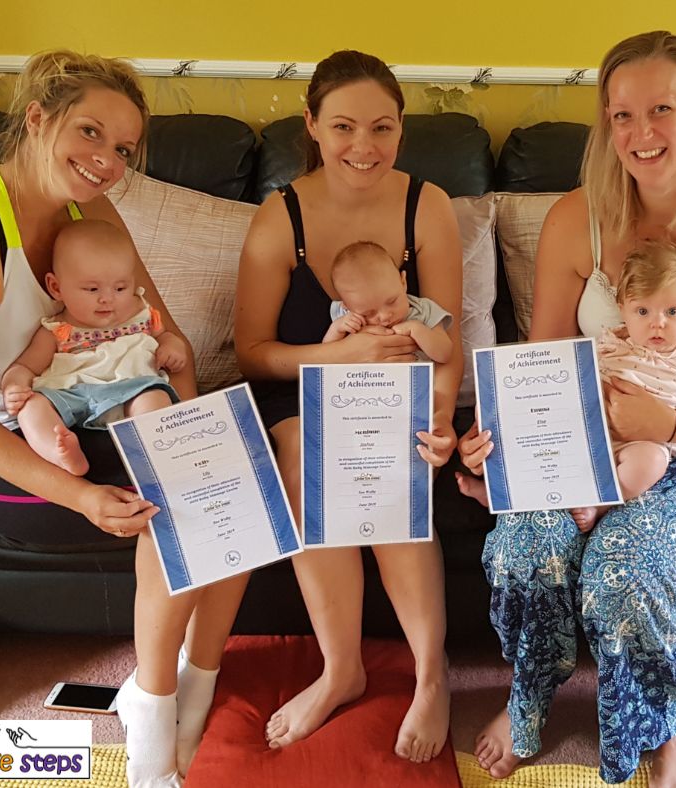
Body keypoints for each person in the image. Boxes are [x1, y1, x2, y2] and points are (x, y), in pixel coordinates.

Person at [455, 31, 676, 787]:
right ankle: (527, 698)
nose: (641, 134)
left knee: (624, 564)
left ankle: (668, 723)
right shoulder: (576, 219)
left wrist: (672, 424)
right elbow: (541, 370)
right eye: (621, 116)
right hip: (583, 431)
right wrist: (495, 445)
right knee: (525, 545)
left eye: (661, 110)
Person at [0, 51, 249, 787]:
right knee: (182, 499)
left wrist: (187, 427)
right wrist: (86, 497)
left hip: (96, 416)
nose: (107, 162)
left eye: (123, 148)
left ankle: (193, 685)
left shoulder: (92, 211)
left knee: (237, 471)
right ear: (36, 117)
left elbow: (162, 336)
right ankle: (152, 724)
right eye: (90, 132)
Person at [235, 49, 463, 764]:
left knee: (394, 464)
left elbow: (447, 341)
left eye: (382, 128)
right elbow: (253, 352)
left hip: (401, 394)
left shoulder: (426, 205)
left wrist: (440, 419)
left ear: (401, 130)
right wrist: (340, 356)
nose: (363, 146)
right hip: (305, 391)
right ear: (311, 124)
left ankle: (432, 675)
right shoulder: (281, 217)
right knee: (306, 457)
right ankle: (342, 669)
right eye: (343, 127)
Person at [2, 220, 184, 476]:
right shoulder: (57, 330)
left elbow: (166, 336)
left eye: (120, 288)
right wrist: (14, 387)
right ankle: (59, 452)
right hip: (71, 393)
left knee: (155, 398)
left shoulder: (141, 313)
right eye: (92, 289)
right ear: (56, 287)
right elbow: (25, 366)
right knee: (32, 408)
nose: (107, 298)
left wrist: (172, 348)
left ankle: (153, 457)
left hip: (133, 388)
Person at [570, 240, 676, 532]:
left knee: (651, 462)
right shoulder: (611, 344)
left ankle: (603, 502)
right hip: (594, 432)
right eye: (643, 311)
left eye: (672, 312)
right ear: (623, 311)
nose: (658, 324)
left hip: (643, 444)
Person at [323, 240, 454, 363]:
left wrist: (418, 330)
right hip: (362, 379)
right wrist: (336, 330)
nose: (385, 317)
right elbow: (325, 360)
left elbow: (445, 354)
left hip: (412, 378)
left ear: (403, 282)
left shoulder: (423, 310)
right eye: (368, 313)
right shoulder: (348, 320)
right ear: (346, 306)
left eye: (392, 301)